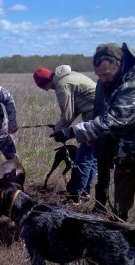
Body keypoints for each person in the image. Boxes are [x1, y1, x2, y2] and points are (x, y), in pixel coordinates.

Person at [51, 42, 135, 221]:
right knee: (122, 191)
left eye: (106, 74)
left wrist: (72, 132)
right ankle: (121, 227)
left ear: (119, 63)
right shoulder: (104, 81)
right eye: (98, 75)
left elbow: (114, 119)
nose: (102, 79)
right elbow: (100, 111)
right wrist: (94, 135)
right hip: (125, 145)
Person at [33, 65, 97, 204]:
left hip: (95, 117)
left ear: (44, 84)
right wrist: (59, 127)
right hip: (101, 114)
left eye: (44, 87)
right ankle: (85, 191)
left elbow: (67, 116)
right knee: (92, 156)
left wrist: (58, 131)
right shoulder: (68, 76)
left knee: (84, 156)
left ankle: (76, 195)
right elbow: (74, 110)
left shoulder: (62, 86)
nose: (46, 90)